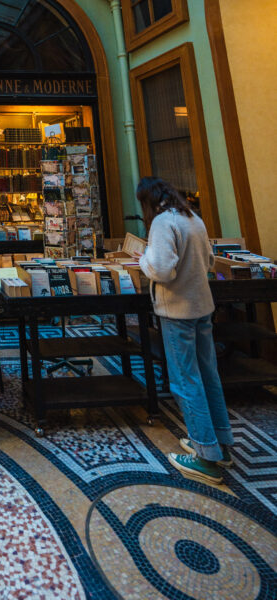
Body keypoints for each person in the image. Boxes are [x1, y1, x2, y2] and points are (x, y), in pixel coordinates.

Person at [137, 176, 234, 486]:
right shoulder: (193, 218)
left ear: (148, 202)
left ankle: (206, 457)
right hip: (202, 306)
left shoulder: (163, 223)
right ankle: (221, 442)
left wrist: (142, 261)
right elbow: (208, 260)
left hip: (177, 309)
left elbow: (162, 269)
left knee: (184, 380)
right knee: (208, 374)